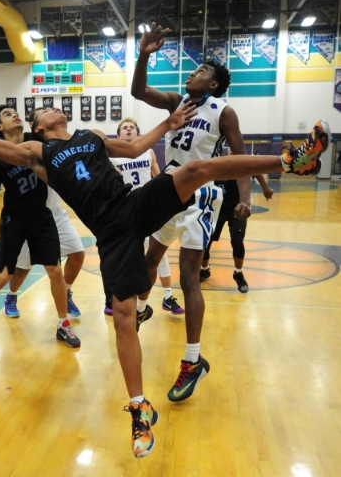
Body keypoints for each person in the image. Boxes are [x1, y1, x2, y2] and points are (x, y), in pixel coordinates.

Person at [0, 82, 329, 458]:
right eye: (44, 109)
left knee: (197, 170)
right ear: (39, 125)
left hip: (133, 203)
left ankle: (292, 160)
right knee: (124, 318)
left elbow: (132, 148)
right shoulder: (37, 152)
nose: (53, 109)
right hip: (110, 233)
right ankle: (139, 409)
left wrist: (168, 124)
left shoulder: (90, 136)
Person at [131, 23, 256, 404]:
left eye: (201, 72)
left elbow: (240, 158)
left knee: (188, 277)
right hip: (169, 188)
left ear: (214, 85)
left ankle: (192, 360)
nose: (192, 74)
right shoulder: (176, 103)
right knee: (150, 258)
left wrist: (245, 197)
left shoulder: (224, 112)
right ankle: (140, 309)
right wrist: (144, 54)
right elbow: (138, 91)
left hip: (202, 194)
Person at [0, 104, 80, 349]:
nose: (14, 113)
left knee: (55, 271)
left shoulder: (37, 140)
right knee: (3, 276)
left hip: (41, 217)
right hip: (14, 219)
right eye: (7, 113)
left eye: (15, 111)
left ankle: (62, 325)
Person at [1, 107, 85, 321]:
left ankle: (66, 293)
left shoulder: (57, 144)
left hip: (55, 212)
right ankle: (11, 296)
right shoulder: (28, 148)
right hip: (33, 215)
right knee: (23, 268)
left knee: (77, 254)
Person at [104, 117, 184, 316]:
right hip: (124, 210)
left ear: (138, 134)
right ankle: (111, 297)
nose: (129, 130)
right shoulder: (111, 156)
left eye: (132, 128)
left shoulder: (148, 152)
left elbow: (158, 179)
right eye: (125, 128)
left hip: (148, 208)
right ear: (118, 135)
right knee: (121, 258)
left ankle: (167, 296)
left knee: (159, 254)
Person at [200, 150, 274, 292]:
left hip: (237, 208)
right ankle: (205, 269)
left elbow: (256, 170)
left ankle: (238, 273)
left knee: (237, 241)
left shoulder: (242, 166)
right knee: (206, 242)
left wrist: (265, 188)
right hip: (218, 209)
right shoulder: (218, 164)